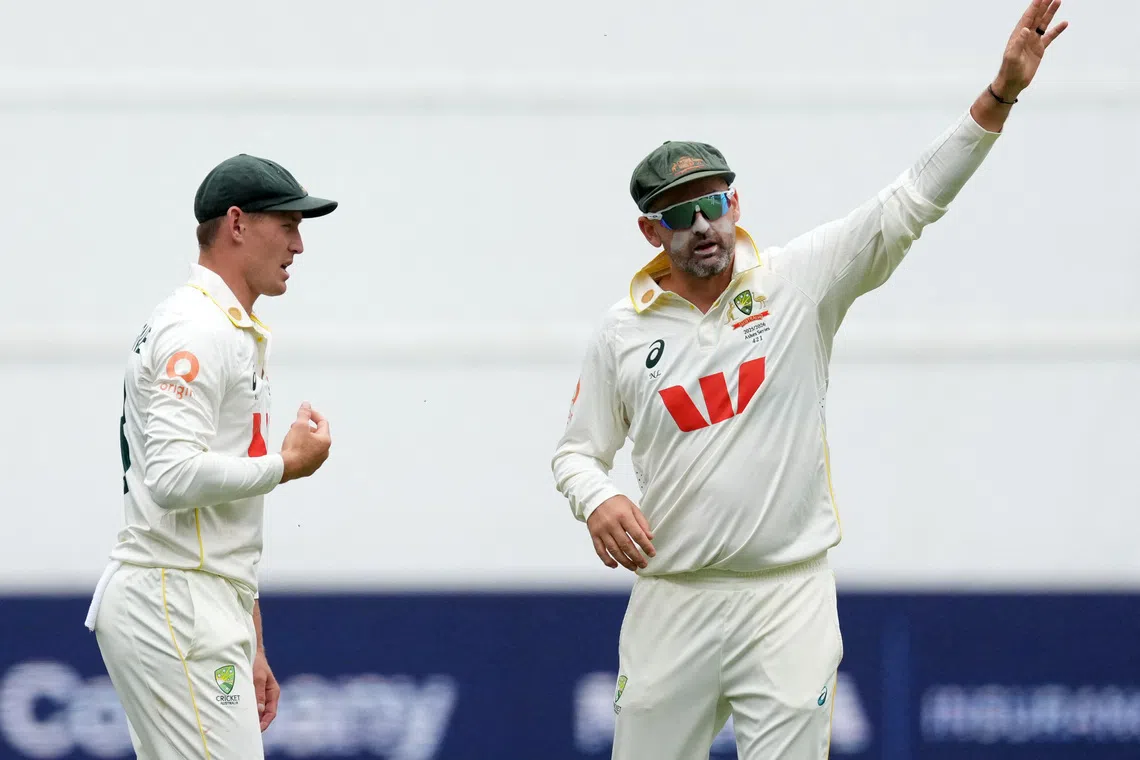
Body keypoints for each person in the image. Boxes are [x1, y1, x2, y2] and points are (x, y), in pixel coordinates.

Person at [551, 2, 1067, 758]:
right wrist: (597, 499)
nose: (705, 226)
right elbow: (574, 453)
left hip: (786, 594)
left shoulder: (797, 282)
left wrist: (1000, 96)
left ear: (738, 202)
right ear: (650, 232)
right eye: (683, 212)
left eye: (717, 202)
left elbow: (910, 203)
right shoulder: (622, 333)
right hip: (674, 598)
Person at [83, 153, 338, 759]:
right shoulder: (198, 328)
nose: (299, 245)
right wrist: (286, 465)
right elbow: (171, 477)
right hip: (172, 598)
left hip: (196, 598)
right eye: (288, 225)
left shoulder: (227, 327)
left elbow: (218, 513)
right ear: (237, 223)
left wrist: (250, 633)